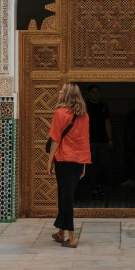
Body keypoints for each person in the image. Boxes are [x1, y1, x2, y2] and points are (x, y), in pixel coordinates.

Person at [47, 83, 90, 248]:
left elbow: (56, 139)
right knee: (65, 196)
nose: (59, 91)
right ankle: (60, 233)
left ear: (67, 95)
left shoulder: (60, 113)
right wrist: (84, 163)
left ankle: (71, 238)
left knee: (66, 199)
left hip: (64, 161)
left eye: (62, 90)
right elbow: (84, 140)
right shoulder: (84, 115)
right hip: (78, 161)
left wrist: (50, 160)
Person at [86, 84, 113, 198]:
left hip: (103, 140)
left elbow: (107, 122)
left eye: (97, 92)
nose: (95, 94)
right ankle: (94, 187)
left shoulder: (104, 106)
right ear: (89, 94)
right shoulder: (85, 106)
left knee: (105, 165)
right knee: (91, 165)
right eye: (93, 92)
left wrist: (110, 138)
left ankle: (99, 185)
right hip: (90, 141)